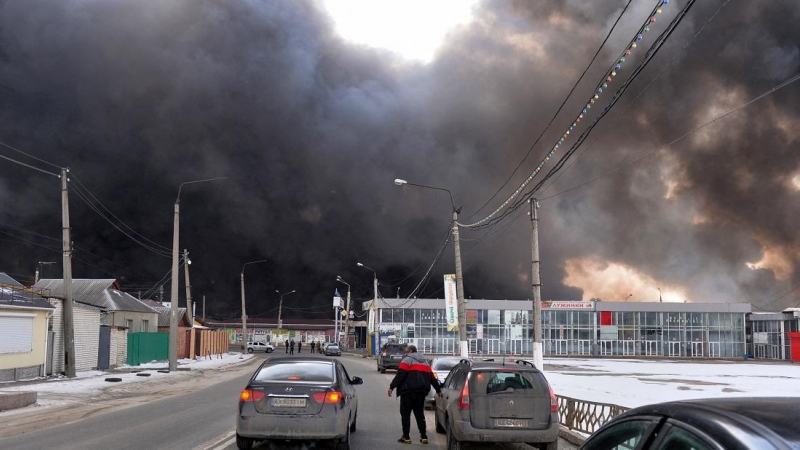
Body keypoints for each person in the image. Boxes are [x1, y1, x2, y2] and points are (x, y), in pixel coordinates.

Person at [387, 345, 441, 445]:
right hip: (421, 392)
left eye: (406, 351)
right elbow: (432, 378)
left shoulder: (407, 360)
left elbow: (400, 375)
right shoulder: (425, 362)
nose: (405, 353)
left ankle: (406, 437)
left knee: (405, 414)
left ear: (411, 351)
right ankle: (424, 437)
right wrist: (438, 390)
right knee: (420, 414)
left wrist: (391, 387)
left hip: (408, 392)